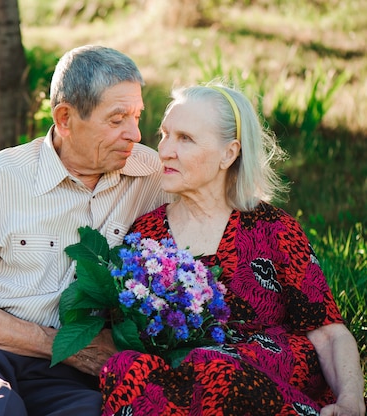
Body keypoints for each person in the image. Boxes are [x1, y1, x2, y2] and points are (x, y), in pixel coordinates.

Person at [0, 45, 170, 416]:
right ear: (65, 118)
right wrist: (67, 344)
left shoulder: (151, 176)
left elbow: (224, 192)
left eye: (137, 116)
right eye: (117, 119)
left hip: (63, 373)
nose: (136, 134)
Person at [100, 83, 366, 416]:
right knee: (125, 367)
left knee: (214, 366)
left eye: (185, 139)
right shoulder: (147, 234)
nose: (165, 150)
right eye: (164, 134)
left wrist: (352, 400)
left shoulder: (274, 229)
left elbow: (328, 332)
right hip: (184, 381)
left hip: (266, 373)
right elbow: (129, 330)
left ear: (229, 153)